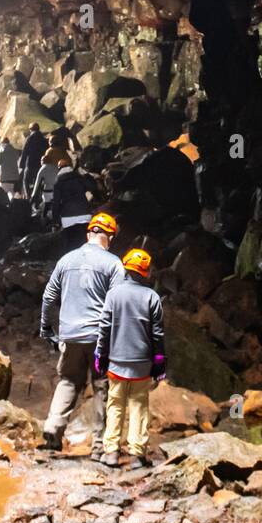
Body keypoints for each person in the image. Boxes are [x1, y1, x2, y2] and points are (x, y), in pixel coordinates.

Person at [39, 212, 125, 456]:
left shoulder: (66, 260)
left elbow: (48, 297)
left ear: (89, 234)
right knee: (101, 387)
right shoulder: (113, 264)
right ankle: (99, 445)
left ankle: (53, 429)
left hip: (70, 334)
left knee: (68, 381)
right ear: (109, 237)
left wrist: (46, 328)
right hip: (99, 337)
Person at [94, 247, 165, 469]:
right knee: (139, 406)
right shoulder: (152, 297)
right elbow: (157, 334)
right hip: (142, 365)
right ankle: (136, 455)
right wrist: (159, 361)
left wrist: (100, 354)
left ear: (126, 268)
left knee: (114, 405)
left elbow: (104, 327)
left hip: (116, 362)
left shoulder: (113, 294)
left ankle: (112, 452)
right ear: (145, 272)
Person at [54, 157, 99, 245]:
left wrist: (55, 220)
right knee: (86, 242)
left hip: (67, 217)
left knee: (69, 244)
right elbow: (93, 187)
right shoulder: (79, 177)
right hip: (84, 214)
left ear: (59, 169)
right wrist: (86, 174)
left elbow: (56, 203)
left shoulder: (58, 182)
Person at [19, 122, 47, 208]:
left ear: (31, 130)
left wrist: (21, 164)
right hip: (40, 164)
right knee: (37, 182)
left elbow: (25, 152)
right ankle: (37, 199)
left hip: (30, 164)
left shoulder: (29, 138)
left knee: (26, 180)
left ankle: (28, 198)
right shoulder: (43, 139)